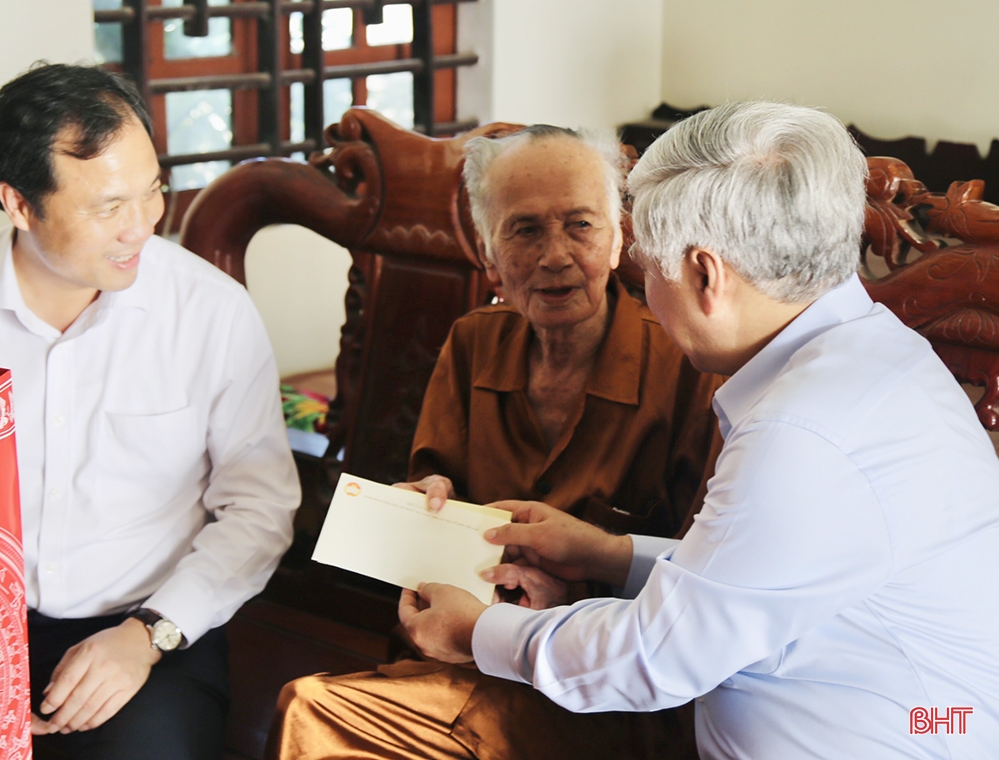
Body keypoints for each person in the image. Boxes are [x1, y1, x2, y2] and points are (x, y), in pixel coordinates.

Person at [398, 102, 999, 758]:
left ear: (707, 276)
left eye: (651, 268)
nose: (645, 290)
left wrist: (478, 633)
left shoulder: (804, 433)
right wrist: (610, 555)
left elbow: (655, 655)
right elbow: (743, 580)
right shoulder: (871, 353)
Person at [0, 63, 300, 759]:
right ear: (18, 203)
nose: (143, 226)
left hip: (151, 633)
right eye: (108, 207)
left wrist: (148, 636)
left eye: (152, 191)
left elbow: (259, 508)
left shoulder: (209, 312)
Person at [268, 126, 723, 759]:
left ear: (620, 239)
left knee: (312, 715)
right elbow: (432, 511)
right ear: (489, 254)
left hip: (604, 686)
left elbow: (713, 579)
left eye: (581, 226)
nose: (555, 255)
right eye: (525, 230)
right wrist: (420, 510)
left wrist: (575, 592)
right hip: (459, 656)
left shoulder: (686, 369)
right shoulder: (471, 343)